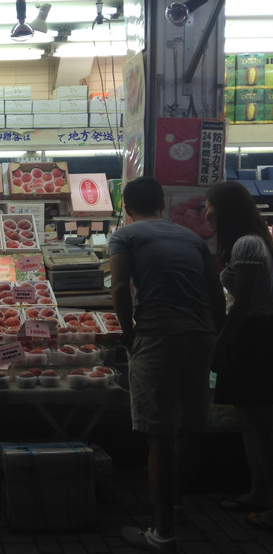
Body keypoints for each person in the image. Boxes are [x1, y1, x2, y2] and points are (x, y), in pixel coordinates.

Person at [109, 177, 225, 553]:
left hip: (159, 336)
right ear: (161, 203)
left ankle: (162, 532)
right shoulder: (191, 238)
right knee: (189, 427)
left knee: (158, 433)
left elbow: (119, 286)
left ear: (126, 207)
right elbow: (214, 292)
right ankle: (176, 505)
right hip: (200, 335)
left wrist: (128, 333)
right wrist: (214, 334)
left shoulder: (126, 236)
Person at [205, 181, 273, 530]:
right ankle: (257, 492)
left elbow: (243, 303)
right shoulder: (249, 242)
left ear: (226, 209)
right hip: (251, 332)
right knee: (249, 420)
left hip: (255, 335)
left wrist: (222, 341)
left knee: (262, 424)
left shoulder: (247, 244)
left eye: (210, 206)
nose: (206, 213)